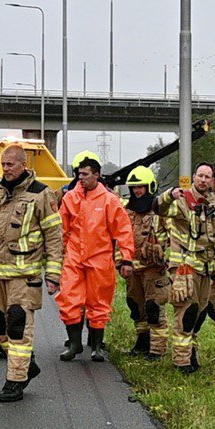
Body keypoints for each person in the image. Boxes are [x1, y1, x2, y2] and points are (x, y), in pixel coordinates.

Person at [0, 143, 64, 403]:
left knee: (18, 325)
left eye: (10, 164)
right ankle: (26, 365)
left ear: (24, 165)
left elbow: (55, 237)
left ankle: (14, 381)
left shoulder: (41, 194)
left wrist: (53, 275)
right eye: (3, 164)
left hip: (25, 275)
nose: (6, 169)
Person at [57, 151, 135, 362]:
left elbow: (123, 230)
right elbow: (62, 229)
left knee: (98, 303)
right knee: (69, 299)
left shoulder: (109, 200)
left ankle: (96, 347)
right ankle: (74, 345)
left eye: (85, 174)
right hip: (74, 258)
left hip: (100, 258)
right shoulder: (70, 197)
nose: (80, 178)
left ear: (97, 175)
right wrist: (58, 257)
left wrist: (126, 258)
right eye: (79, 174)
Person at [157, 162, 215, 373]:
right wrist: (169, 194)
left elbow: (213, 241)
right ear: (194, 177)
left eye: (208, 177)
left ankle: (192, 353)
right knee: (186, 314)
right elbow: (159, 209)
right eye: (200, 176)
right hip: (185, 268)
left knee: (198, 314)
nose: (203, 180)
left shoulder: (213, 205)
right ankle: (182, 362)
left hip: (205, 269)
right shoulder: (181, 201)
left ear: (211, 180)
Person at [120, 166, 171, 360]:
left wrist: (164, 255)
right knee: (136, 306)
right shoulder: (126, 211)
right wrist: (120, 262)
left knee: (154, 308)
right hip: (132, 269)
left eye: (140, 187)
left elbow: (175, 237)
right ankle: (142, 343)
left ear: (150, 187)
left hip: (153, 270)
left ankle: (157, 350)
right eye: (134, 188)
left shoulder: (161, 211)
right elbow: (119, 237)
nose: (137, 191)